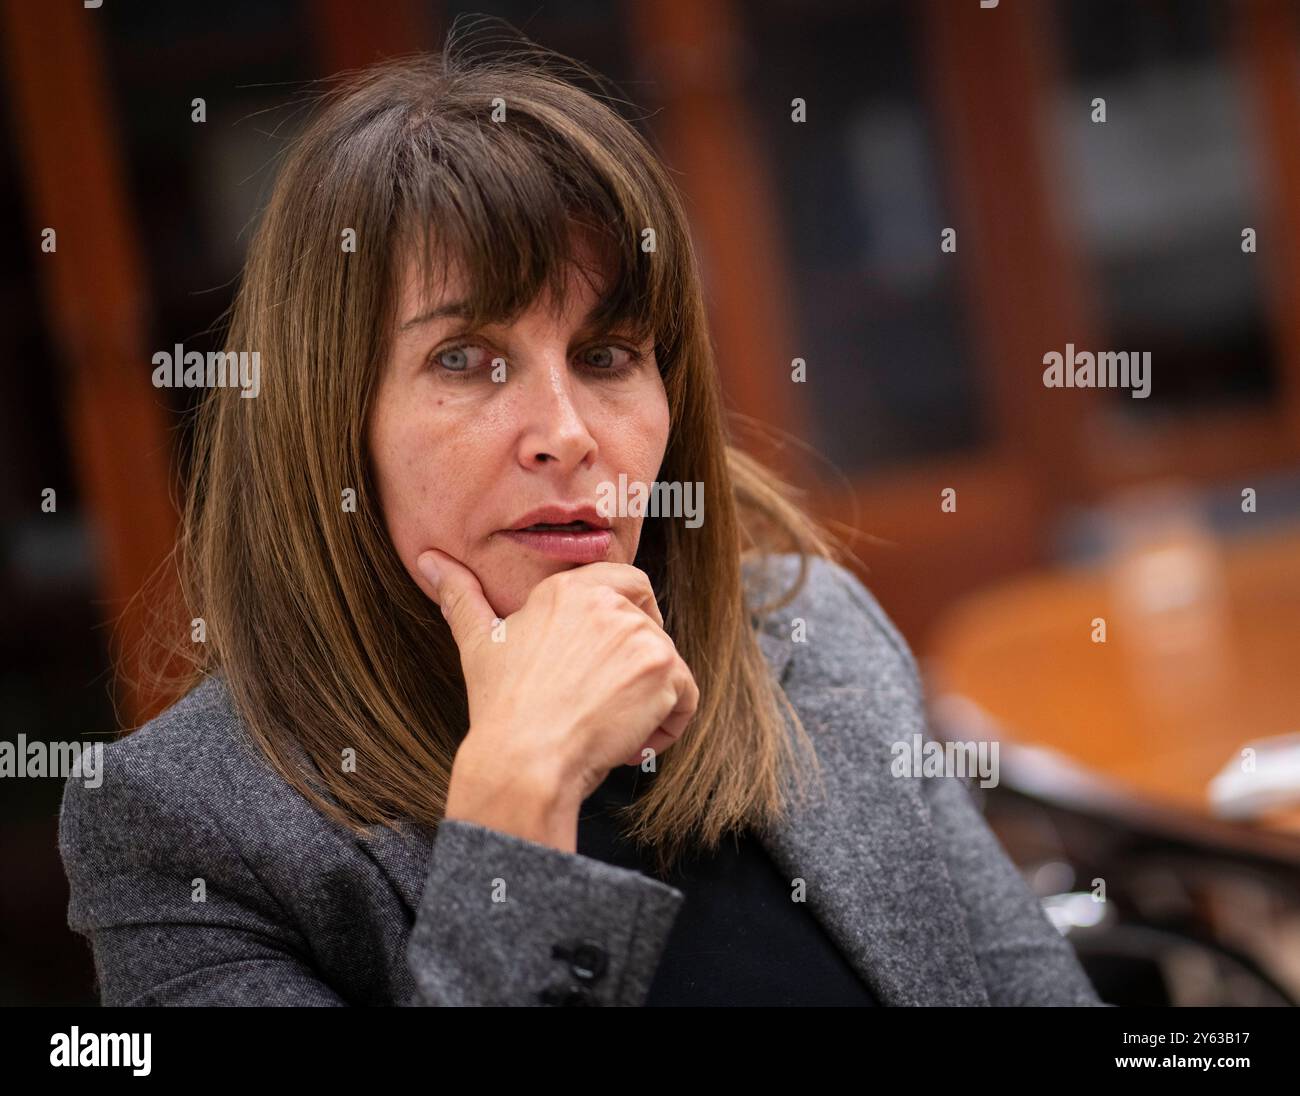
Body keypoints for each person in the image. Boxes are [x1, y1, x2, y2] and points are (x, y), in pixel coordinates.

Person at [57, 31, 1102, 1007]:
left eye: (606, 357)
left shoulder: (807, 632)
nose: (564, 432)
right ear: (328, 425)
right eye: (465, 359)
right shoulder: (185, 825)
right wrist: (519, 798)